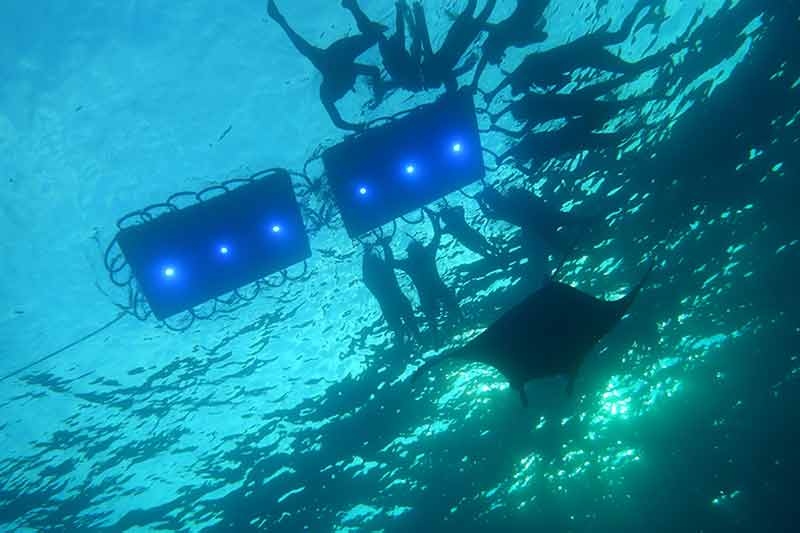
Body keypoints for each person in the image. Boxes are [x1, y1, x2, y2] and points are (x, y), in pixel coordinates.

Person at [485, 1, 672, 101]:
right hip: (584, 48)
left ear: (523, 83)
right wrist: (493, 93)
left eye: (522, 89)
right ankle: (640, 7)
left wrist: (550, 93)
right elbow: (511, 79)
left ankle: (665, 52)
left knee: (629, 65)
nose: (526, 90)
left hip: (587, 55)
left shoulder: (532, 70)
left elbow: (564, 79)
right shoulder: (531, 67)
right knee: (621, 38)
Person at [267, 0, 382, 130]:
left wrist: (378, 95)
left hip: (338, 54)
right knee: (375, 35)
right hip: (341, 52)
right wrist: (378, 94)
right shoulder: (348, 73)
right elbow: (375, 71)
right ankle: (352, 6)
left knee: (374, 35)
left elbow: (375, 71)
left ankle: (352, 6)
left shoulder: (340, 75)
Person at [388, 211, 462, 335]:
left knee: (432, 320)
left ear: (409, 252)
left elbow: (391, 262)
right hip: (438, 288)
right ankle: (457, 323)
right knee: (451, 310)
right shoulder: (427, 254)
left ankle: (437, 336)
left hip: (426, 293)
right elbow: (437, 235)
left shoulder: (410, 263)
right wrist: (433, 218)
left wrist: (386, 247)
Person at [342, 0, 425, 93]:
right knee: (382, 34)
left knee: (395, 32)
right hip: (391, 53)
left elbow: (416, 50)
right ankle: (354, 8)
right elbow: (416, 51)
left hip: (394, 52)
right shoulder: (404, 80)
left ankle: (397, 9)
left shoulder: (408, 76)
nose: (408, 90)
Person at [412, 0, 497, 91]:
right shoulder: (430, 66)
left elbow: (455, 75)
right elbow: (425, 41)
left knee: (482, 13)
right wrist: (419, 14)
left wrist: (468, 66)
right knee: (473, 8)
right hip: (456, 34)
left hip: (463, 40)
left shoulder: (439, 75)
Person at [471, 0, 549, 88]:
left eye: (498, 58)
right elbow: (543, 35)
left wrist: (535, 30)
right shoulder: (508, 37)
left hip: (535, 6)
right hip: (530, 6)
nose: (502, 57)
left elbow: (543, 35)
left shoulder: (510, 38)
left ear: (495, 51)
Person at [361, 241, 422, 346]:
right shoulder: (386, 269)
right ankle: (421, 343)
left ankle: (404, 352)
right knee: (414, 329)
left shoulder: (371, 280)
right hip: (401, 302)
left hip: (388, 308)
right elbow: (389, 259)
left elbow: (366, 276)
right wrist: (385, 245)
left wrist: (367, 253)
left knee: (399, 333)